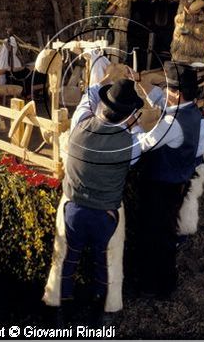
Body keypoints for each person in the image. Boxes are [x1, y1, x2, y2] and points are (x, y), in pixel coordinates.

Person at [42, 68, 145, 327]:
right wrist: (133, 124)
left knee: (65, 258)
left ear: (104, 104)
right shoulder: (130, 143)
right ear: (128, 114)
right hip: (106, 214)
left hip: (72, 208)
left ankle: (58, 308)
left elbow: (88, 97)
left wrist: (104, 79)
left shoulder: (79, 124)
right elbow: (140, 146)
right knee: (108, 262)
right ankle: (106, 312)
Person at [131, 61, 204, 299]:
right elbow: (197, 151)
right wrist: (140, 81)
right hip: (179, 181)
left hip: (160, 185)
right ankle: (160, 279)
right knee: (165, 230)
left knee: (157, 234)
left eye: (168, 88)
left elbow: (145, 144)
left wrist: (134, 126)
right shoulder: (197, 117)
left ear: (176, 93)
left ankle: (161, 284)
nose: (164, 91)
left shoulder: (171, 123)